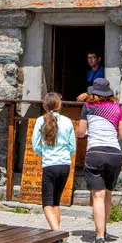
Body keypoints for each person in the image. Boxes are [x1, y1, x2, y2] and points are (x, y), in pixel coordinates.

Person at [76, 77, 122, 243]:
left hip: (95, 152)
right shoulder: (117, 108)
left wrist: (89, 131)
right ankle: (104, 227)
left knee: (98, 196)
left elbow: (81, 133)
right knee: (108, 194)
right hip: (114, 153)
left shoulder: (88, 107)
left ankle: (99, 236)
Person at [31, 91, 76, 231]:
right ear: (59, 104)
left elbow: (35, 145)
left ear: (45, 105)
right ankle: (54, 236)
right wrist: (64, 154)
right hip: (64, 164)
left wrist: (45, 153)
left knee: (47, 203)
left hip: (50, 165)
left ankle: (57, 233)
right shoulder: (67, 121)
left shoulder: (40, 121)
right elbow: (72, 147)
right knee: (56, 202)